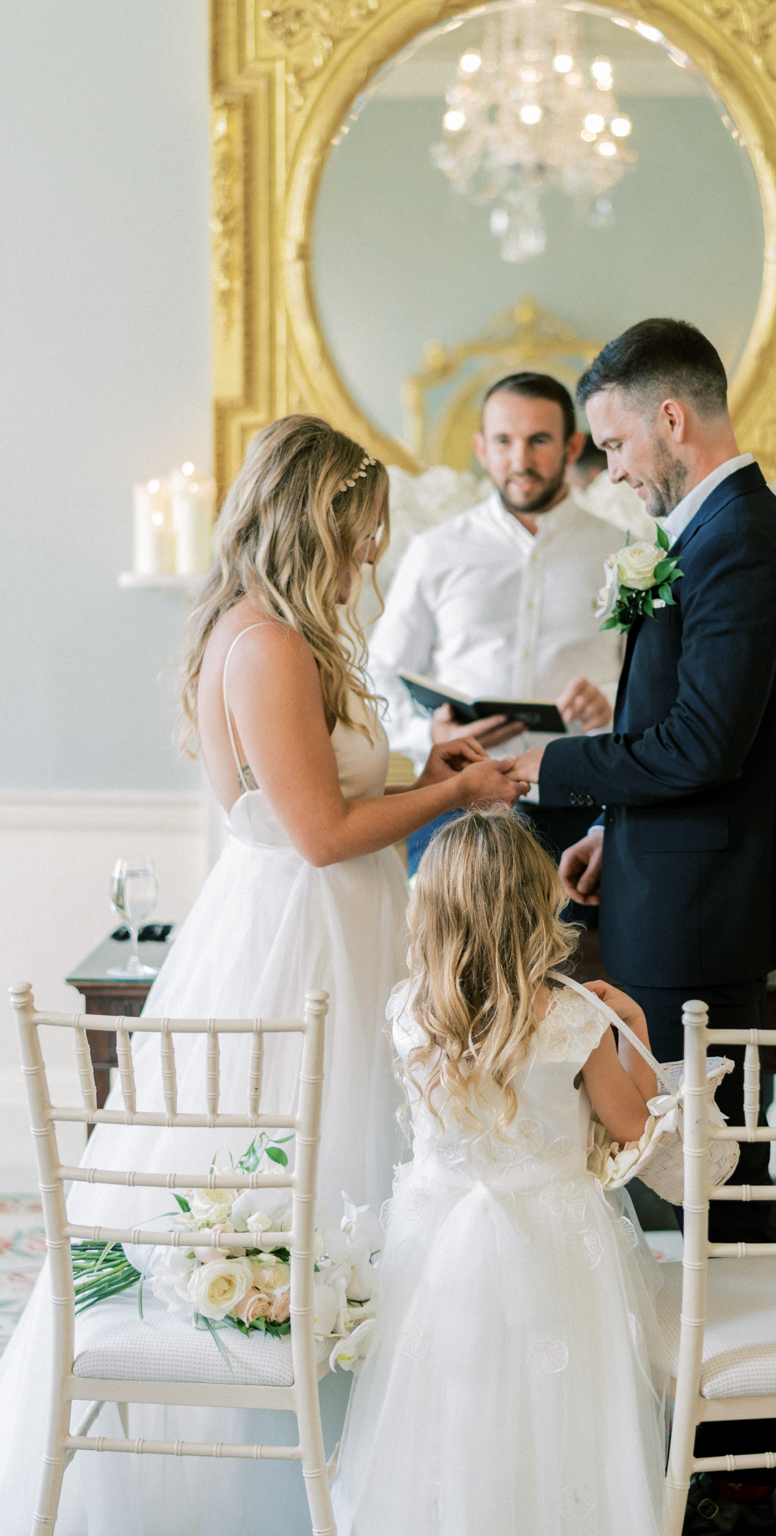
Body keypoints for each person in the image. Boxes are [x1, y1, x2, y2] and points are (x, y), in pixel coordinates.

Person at [0, 416, 525, 1536]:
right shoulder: (268, 645)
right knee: (315, 1165)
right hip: (303, 939)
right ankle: (285, 1477)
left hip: (325, 919)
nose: (369, 558)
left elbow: (319, 796)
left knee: (357, 1171)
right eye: (360, 533)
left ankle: (363, 1457)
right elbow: (323, 831)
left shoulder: (276, 631)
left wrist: (418, 764)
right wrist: (457, 797)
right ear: (312, 521)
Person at [511, 319, 776, 1536]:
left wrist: (560, 765)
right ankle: (721, 1440)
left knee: (704, 1176)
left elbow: (704, 746)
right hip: (671, 879)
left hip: (701, 921)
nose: (610, 468)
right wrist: (618, 836)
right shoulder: (709, 534)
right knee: (696, 1173)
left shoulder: (743, 544)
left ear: (672, 419)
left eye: (611, 441)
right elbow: (701, 747)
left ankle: (740, 1472)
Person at [331, 806, 668, 1536]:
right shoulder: (574, 1018)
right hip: (559, 1244)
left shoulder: (408, 1013)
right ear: (535, 904)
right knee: (562, 1414)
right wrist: (634, 1030)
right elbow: (637, 1129)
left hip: (436, 1237)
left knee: (449, 1400)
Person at [367, 372, 623, 893]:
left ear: (573, 445)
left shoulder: (623, 551)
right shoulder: (435, 552)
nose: (520, 460)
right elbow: (380, 680)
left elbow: (662, 687)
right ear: (481, 449)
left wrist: (614, 704)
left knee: (578, 971)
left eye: (539, 440)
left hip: (582, 807)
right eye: (504, 442)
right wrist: (432, 737)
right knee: (443, 967)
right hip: (455, 806)